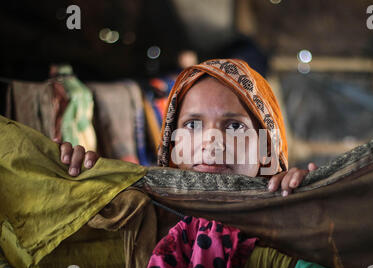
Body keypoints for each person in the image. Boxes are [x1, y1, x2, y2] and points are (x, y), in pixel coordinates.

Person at [55, 58, 318, 196]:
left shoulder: (286, 212)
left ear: (266, 148)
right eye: (192, 124)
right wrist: (76, 180)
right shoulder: (134, 206)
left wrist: (306, 200)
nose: (212, 141)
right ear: (172, 142)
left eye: (235, 127)